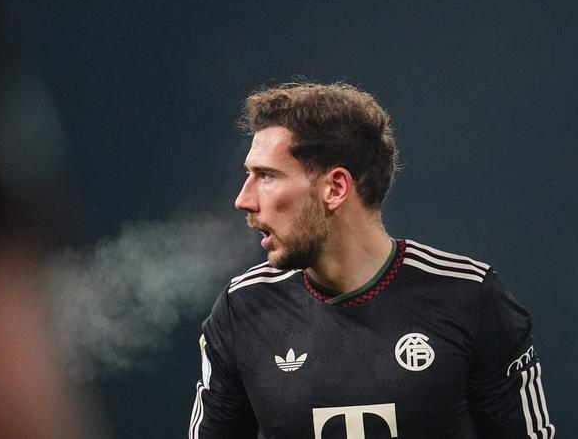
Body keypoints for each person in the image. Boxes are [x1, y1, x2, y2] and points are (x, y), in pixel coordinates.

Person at [189, 82, 554, 438]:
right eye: (249, 175)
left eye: (267, 176)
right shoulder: (242, 310)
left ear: (335, 188)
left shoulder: (471, 298)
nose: (244, 200)